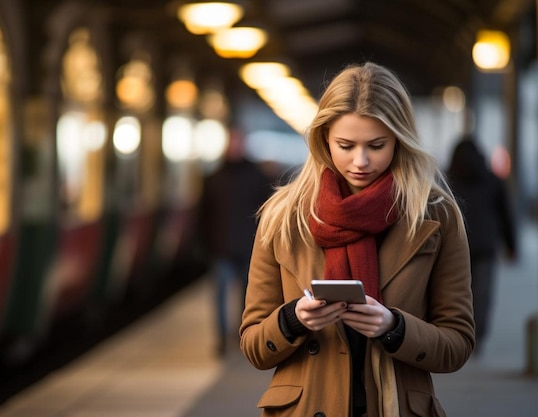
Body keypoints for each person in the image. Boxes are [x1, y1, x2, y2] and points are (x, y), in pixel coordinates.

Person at [239, 62, 475, 417]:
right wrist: (293, 319)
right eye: (345, 145)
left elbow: (457, 343)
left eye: (376, 145)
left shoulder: (435, 216)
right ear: (323, 138)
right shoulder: (283, 217)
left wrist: (394, 328)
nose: (361, 161)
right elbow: (254, 345)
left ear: (400, 139)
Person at [200, 126, 273, 356]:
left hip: (250, 247)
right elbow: (203, 214)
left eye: (238, 142)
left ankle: (243, 336)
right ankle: (221, 340)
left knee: (248, 298)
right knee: (220, 297)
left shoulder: (258, 177)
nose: (234, 146)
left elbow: (267, 213)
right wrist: (205, 243)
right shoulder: (213, 177)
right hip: (221, 248)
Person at [447, 136, 517, 353]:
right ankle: (477, 337)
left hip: (456, 245)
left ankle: (459, 333)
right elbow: (506, 215)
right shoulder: (493, 180)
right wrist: (511, 246)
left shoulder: (448, 180)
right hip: (485, 246)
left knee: (457, 292)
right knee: (482, 294)